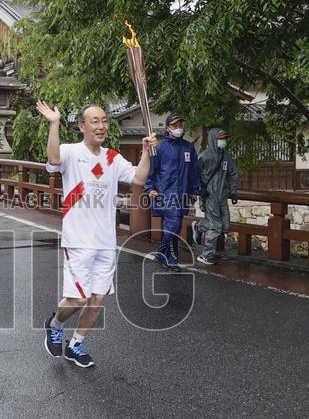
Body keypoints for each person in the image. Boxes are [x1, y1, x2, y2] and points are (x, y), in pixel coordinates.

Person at [35, 100, 153, 368]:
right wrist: (54, 124)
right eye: (95, 121)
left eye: (105, 121)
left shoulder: (112, 158)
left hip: (105, 241)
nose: (101, 126)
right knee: (78, 298)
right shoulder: (70, 152)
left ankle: (76, 344)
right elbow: (53, 160)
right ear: (82, 126)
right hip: (78, 239)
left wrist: (146, 152)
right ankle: (55, 324)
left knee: (98, 297)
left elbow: (138, 178)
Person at [146, 113, 200, 269]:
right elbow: (152, 169)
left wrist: (195, 190)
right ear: (167, 128)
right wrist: (150, 187)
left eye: (180, 125)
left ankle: (161, 254)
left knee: (176, 226)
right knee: (173, 225)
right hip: (166, 193)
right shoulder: (160, 148)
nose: (178, 128)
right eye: (175, 125)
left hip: (183, 194)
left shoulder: (188, 147)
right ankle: (171, 260)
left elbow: (194, 171)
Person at [192, 127, 239, 266]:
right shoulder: (204, 156)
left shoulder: (226, 156)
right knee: (217, 226)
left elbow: (233, 173)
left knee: (225, 226)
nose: (223, 141)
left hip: (222, 195)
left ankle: (200, 226)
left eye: (224, 138)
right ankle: (206, 255)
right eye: (220, 138)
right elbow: (194, 174)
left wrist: (233, 191)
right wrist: (199, 190)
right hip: (210, 196)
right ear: (213, 139)